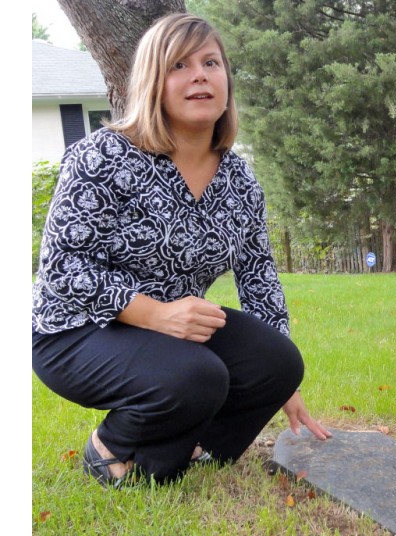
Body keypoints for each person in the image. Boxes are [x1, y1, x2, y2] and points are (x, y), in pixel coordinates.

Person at [31, 13, 331, 489]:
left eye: (211, 63)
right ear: (153, 81)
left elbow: (258, 275)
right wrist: (156, 314)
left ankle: (191, 452)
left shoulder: (239, 178)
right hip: (77, 330)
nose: (200, 76)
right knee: (198, 375)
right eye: (179, 65)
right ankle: (109, 449)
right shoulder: (103, 156)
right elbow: (64, 268)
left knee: (279, 361)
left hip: (172, 332)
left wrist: (282, 386)